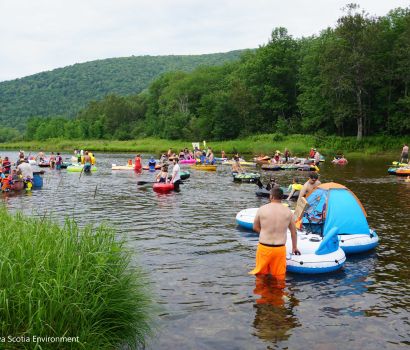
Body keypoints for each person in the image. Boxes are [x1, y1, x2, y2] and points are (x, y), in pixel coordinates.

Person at [249, 187, 300, 279]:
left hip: (264, 248)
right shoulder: (288, 212)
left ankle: (263, 292)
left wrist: (264, 232)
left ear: (271, 196)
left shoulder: (262, 209)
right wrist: (294, 247)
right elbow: (294, 232)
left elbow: (255, 227)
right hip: (279, 249)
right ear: (282, 197)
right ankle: (278, 292)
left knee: (261, 276)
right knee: (279, 277)